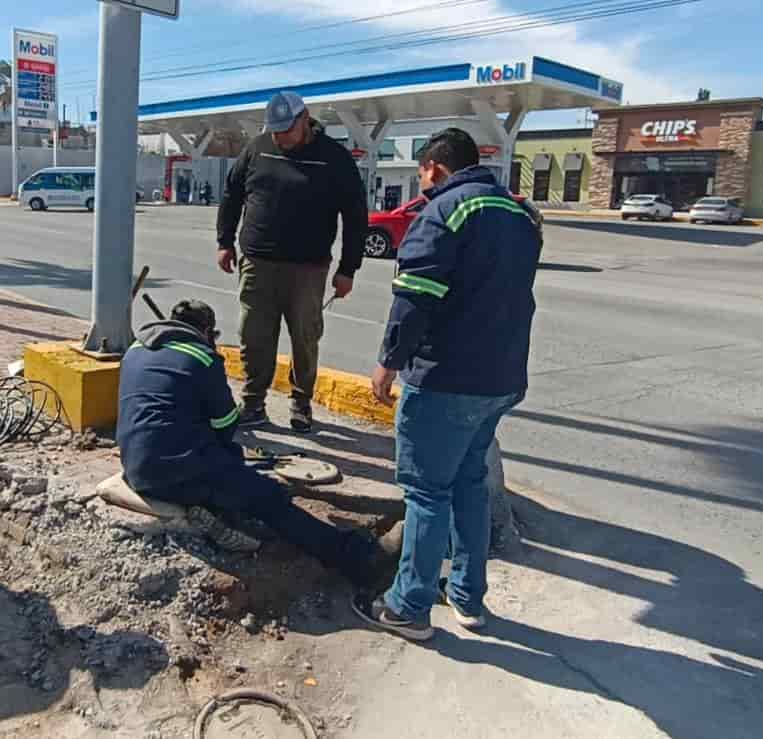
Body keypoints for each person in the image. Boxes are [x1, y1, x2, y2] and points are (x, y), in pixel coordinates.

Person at [353, 128, 541, 641]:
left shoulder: (445, 212)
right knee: (468, 487)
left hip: (446, 379)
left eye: (421, 173)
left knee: (426, 492)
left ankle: (408, 607)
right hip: (500, 379)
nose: (422, 182)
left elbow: (414, 298)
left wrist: (388, 362)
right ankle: (467, 598)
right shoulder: (520, 214)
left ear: (434, 168)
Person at [117, 299, 388, 586]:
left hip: (134, 466)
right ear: (207, 331)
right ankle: (355, 557)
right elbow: (225, 424)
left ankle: (215, 509)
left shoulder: (135, 349)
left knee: (229, 475)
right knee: (270, 498)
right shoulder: (203, 357)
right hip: (178, 470)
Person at [216, 91, 367, 433]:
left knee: (305, 338)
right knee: (254, 336)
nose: (279, 136)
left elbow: (356, 216)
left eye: (286, 129)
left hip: (308, 269)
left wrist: (348, 269)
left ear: (305, 119)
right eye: (274, 129)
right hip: (257, 263)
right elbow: (232, 194)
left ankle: (301, 403)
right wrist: (224, 241)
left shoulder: (334, 158)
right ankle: (253, 403)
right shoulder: (257, 148)